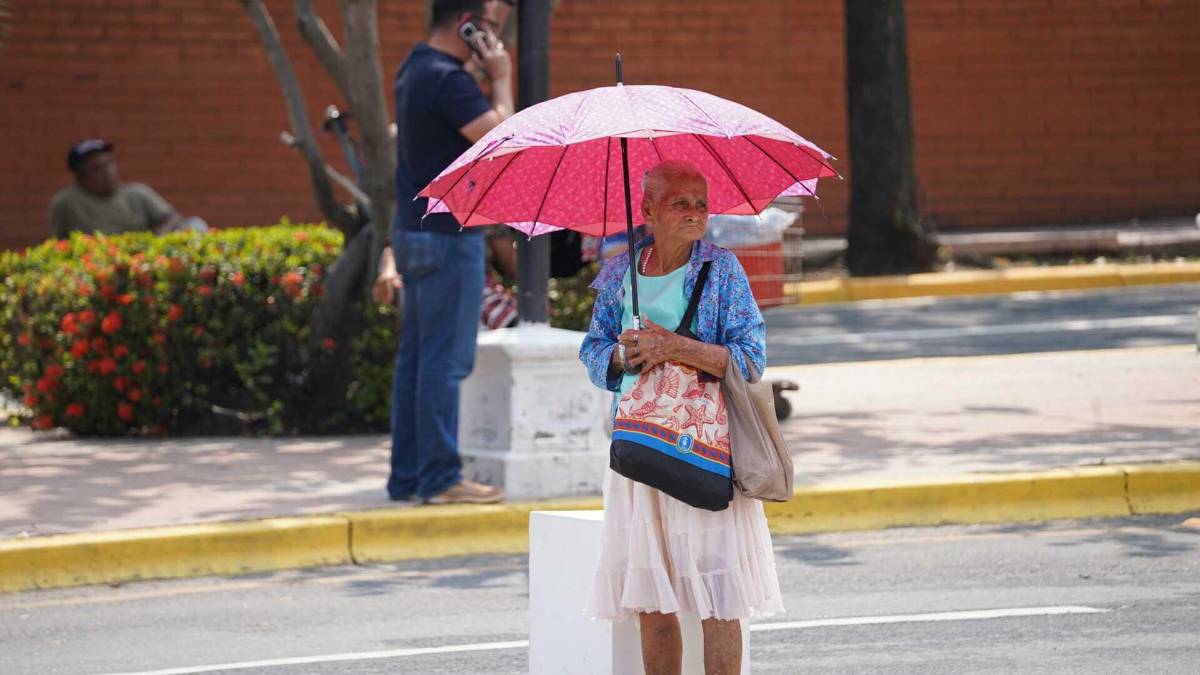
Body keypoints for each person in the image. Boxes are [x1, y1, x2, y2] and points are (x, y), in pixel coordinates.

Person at [579, 161, 783, 674]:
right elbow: (593, 350)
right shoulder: (620, 273)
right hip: (640, 451)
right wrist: (627, 356)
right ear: (647, 211)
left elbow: (750, 359)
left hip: (703, 449)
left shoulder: (721, 271)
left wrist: (673, 347)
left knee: (719, 596)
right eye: (681, 203)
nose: (696, 213)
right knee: (652, 599)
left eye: (701, 203)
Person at [382, 0, 514, 505]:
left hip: (415, 232)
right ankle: (440, 477)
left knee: (417, 359)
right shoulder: (448, 80)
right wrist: (500, 77)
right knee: (445, 361)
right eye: (492, 29)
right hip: (447, 235)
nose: (496, 41)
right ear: (467, 24)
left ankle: (409, 476)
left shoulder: (414, 68)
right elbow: (503, 140)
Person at [49, 138, 207, 238]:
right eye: (96, 168)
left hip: (143, 260)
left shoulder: (137, 193)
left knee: (195, 224)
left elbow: (172, 217)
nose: (106, 172)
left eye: (109, 164)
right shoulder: (66, 203)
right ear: (80, 176)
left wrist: (157, 236)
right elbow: (59, 242)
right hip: (97, 263)